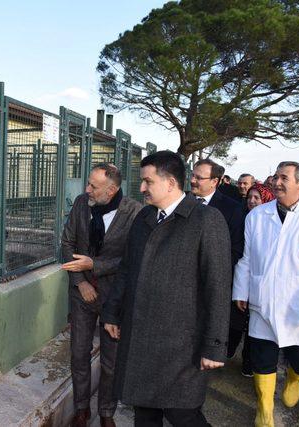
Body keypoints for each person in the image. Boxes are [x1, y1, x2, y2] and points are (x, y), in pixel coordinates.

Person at [102, 151, 231, 427]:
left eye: (147, 181)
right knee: (145, 413)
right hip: (141, 340)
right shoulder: (144, 217)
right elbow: (127, 268)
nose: (141, 188)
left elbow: (218, 288)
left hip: (182, 346)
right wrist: (112, 312)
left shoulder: (207, 220)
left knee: (183, 414)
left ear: (171, 183)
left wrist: (215, 346)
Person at [233, 161, 299, 427]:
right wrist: (241, 290)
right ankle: (264, 409)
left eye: (284, 177)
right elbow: (247, 258)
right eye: (276, 176)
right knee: (261, 358)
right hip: (264, 299)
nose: (277, 182)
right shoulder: (257, 216)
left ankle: (295, 379)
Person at [61, 163, 142, 427]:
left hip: (114, 298)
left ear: (112, 189)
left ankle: (106, 412)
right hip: (82, 294)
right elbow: (67, 243)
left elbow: (132, 258)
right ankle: (81, 408)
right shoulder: (82, 204)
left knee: (111, 361)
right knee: (79, 355)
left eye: (94, 187)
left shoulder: (134, 212)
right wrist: (80, 282)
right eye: (88, 184)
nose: (87, 190)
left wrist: (94, 265)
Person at [190, 159, 248, 375]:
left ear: (215, 181)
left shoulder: (231, 209)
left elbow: (236, 248)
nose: (193, 180)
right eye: (193, 175)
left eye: (199, 177)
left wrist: (212, 271)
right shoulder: (182, 201)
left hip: (213, 282)